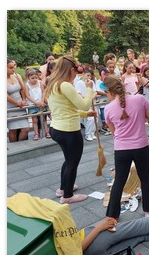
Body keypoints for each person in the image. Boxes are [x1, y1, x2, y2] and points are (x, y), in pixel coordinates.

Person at [101, 75, 149, 224]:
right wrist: (140, 117)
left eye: (106, 93)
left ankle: (113, 215)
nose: (106, 96)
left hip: (122, 149)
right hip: (141, 146)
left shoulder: (107, 109)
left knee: (119, 180)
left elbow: (114, 133)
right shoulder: (139, 99)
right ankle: (148, 211)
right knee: (144, 177)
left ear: (111, 91)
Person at [45, 55, 97, 204]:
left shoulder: (53, 83)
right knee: (73, 162)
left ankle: (63, 188)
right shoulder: (65, 85)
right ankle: (67, 196)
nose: (76, 74)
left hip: (57, 128)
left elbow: (66, 109)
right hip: (68, 131)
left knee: (68, 160)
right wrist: (89, 89)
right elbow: (84, 104)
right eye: (76, 71)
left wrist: (85, 114)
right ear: (70, 69)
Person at [7, 57, 29, 142]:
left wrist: (23, 100)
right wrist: (17, 103)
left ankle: (20, 143)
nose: (13, 69)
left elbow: (23, 88)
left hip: (20, 105)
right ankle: (14, 147)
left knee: (26, 129)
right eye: (11, 68)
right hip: (10, 107)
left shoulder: (16, 75)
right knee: (13, 130)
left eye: (14, 67)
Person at [24, 68, 49, 140]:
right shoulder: (27, 85)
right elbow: (27, 95)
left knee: (44, 119)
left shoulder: (40, 82)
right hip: (32, 104)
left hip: (41, 103)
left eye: (36, 77)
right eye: (32, 78)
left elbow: (43, 91)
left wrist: (42, 100)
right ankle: (36, 133)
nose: (35, 79)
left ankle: (46, 132)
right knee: (35, 120)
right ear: (28, 78)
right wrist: (35, 102)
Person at [74, 69, 97, 142]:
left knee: (95, 118)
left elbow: (95, 92)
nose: (89, 77)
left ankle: (92, 132)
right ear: (83, 74)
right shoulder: (79, 83)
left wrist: (91, 98)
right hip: (84, 103)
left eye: (90, 76)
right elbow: (79, 93)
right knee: (90, 118)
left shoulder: (92, 82)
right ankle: (88, 134)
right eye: (88, 75)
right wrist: (86, 99)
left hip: (92, 102)